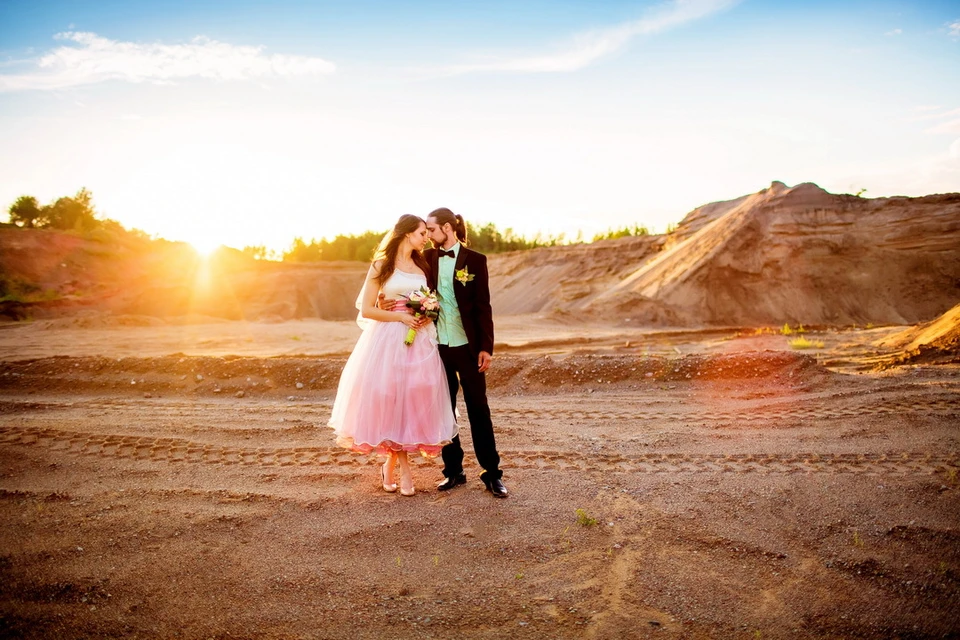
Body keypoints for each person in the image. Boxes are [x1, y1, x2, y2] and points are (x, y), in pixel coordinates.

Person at [328, 214, 457, 497]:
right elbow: (367, 310)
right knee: (389, 396)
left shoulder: (423, 264)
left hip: (419, 338)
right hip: (388, 337)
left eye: (427, 233)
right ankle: (405, 470)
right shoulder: (380, 266)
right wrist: (399, 318)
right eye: (422, 233)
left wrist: (427, 313)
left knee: (413, 397)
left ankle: (389, 465)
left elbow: (432, 298)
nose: (426, 238)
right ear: (406, 233)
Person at [424, 207, 508, 498]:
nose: (428, 235)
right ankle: (454, 472)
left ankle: (492, 474)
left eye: (432, 229)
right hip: (437, 347)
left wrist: (486, 347)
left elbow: (484, 306)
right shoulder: (427, 259)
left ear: (448, 227)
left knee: (478, 410)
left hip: (469, 348)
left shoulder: (475, 260)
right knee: (445, 411)